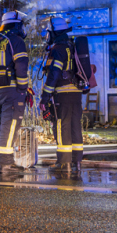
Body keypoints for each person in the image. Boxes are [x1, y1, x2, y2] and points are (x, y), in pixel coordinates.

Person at [0, 10, 30, 174]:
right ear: (17, 24)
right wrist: (23, 88)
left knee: (2, 125)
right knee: (10, 127)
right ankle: (6, 164)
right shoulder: (15, 40)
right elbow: (21, 65)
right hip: (12, 89)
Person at [39, 17, 84, 173]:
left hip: (63, 94)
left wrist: (44, 97)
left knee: (62, 126)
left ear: (55, 32)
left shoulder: (58, 49)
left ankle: (64, 163)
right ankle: (76, 162)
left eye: (48, 33)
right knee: (75, 127)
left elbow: (54, 75)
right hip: (76, 93)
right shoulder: (71, 46)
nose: (47, 36)